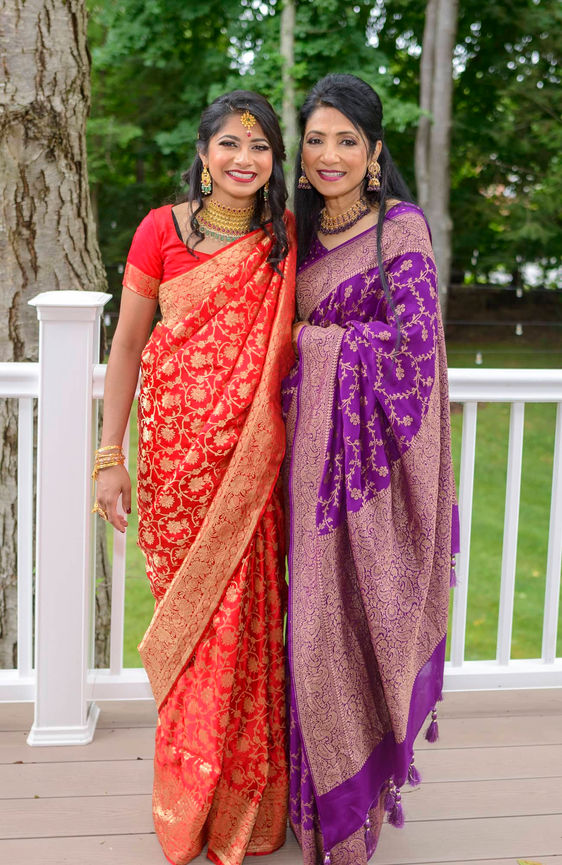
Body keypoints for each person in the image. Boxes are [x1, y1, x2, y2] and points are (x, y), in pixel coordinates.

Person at [92, 90, 296, 865]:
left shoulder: (282, 239)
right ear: (204, 153)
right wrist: (110, 459)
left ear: (274, 161)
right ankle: (186, 804)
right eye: (230, 145)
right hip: (177, 469)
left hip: (251, 475)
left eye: (261, 148)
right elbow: (126, 351)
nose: (245, 160)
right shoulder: (160, 231)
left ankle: (241, 809)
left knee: (243, 637)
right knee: (190, 638)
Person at [282, 73, 459, 865]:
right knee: (310, 642)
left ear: (375, 151)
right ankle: (317, 813)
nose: (329, 154)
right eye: (316, 139)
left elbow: (418, 357)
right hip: (305, 471)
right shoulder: (296, 238)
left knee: (350, 638)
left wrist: (321, 349)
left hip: (374, 483)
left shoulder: (404, 229)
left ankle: (354, 828)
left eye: (346, 140)